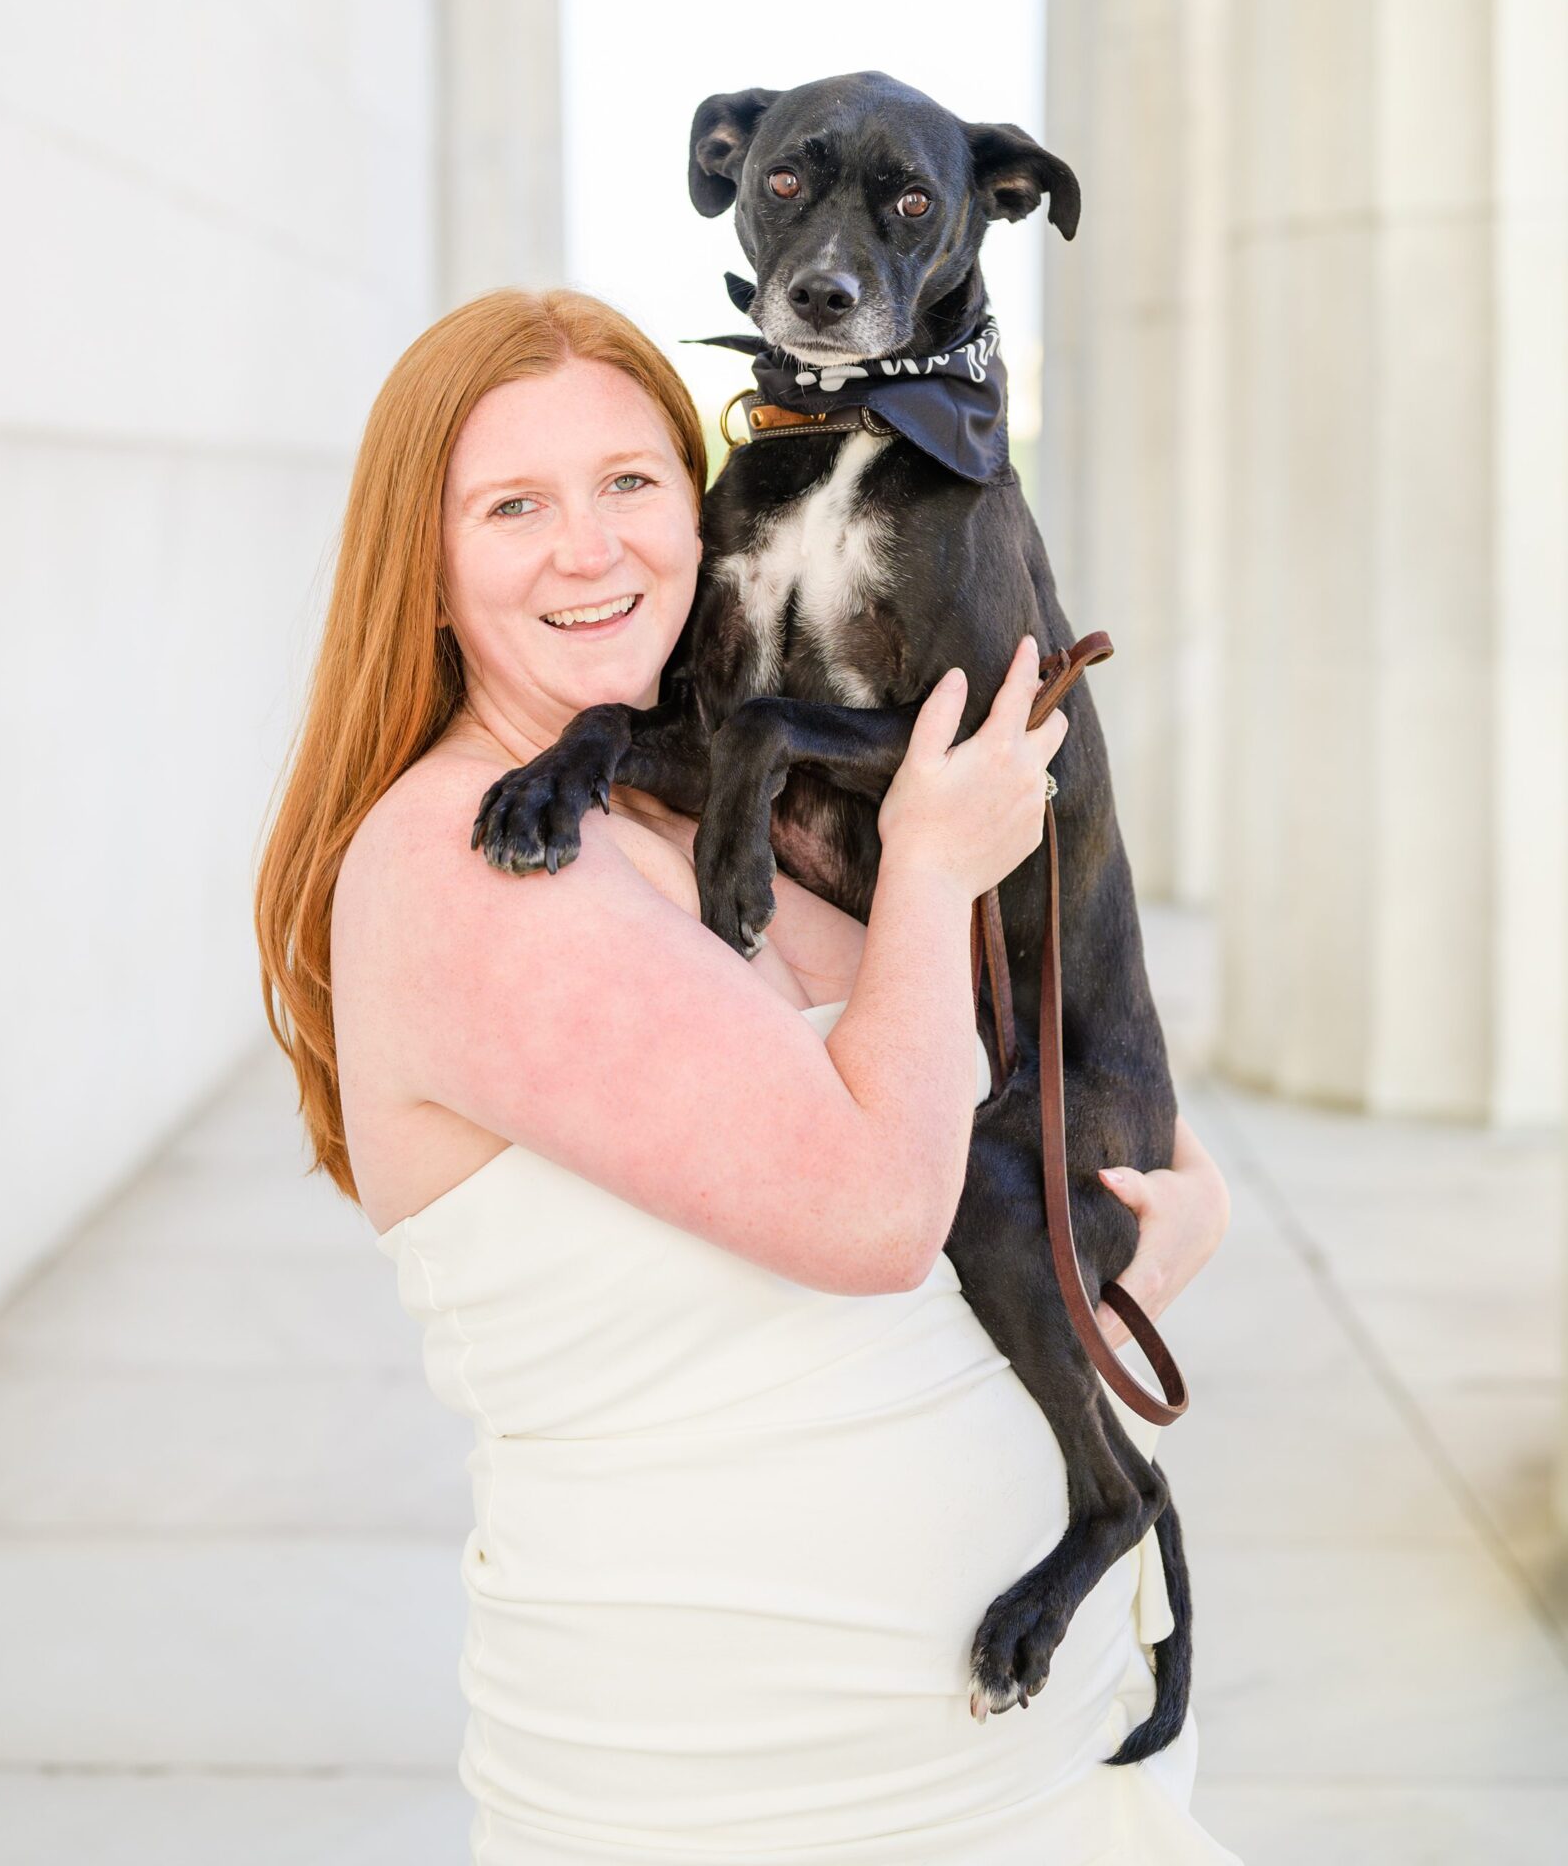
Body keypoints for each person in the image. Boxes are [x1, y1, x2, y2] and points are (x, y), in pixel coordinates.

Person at [255, 287, 1238, 1864]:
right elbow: (869, 1212)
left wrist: (1162, 1212)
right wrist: (925, 869)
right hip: (748, 1787)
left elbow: (1017, 1093)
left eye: (632, 485)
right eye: (515, 506)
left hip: (1020, 1773)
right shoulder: (464, 868)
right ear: (424, 571)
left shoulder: (687, 815)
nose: (593, 548)